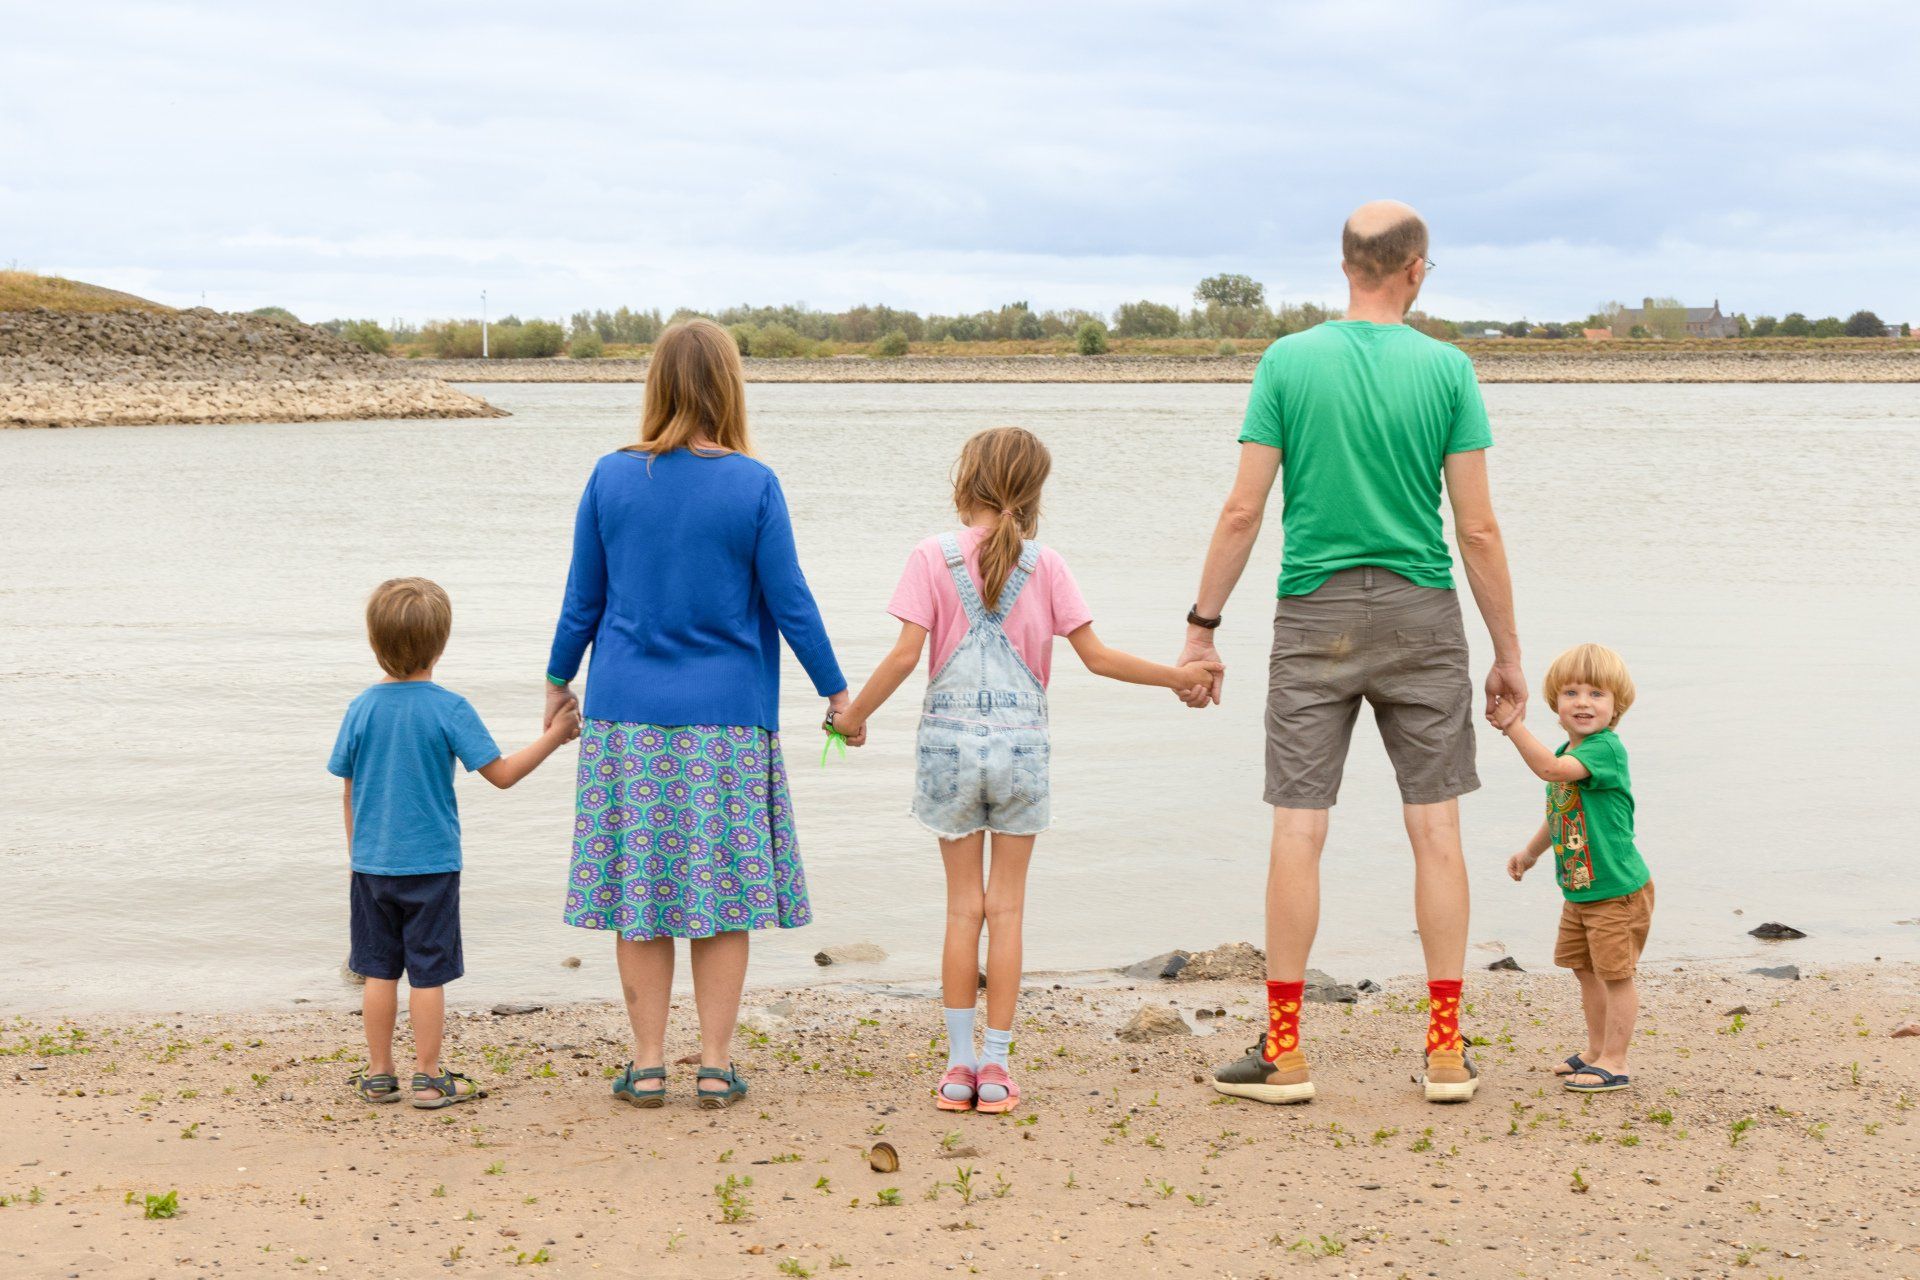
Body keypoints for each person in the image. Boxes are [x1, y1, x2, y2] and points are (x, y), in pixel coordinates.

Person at [1183, 200, 1526, 1106]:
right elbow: (1479, 528)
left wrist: (1202, 626)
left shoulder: (1288, 361)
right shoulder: (1449, 369)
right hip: (1422, 612)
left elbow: (1243, 510)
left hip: (1312, 617)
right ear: (1415, 269)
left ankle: (1287, 1053)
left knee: (1300, 827)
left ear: (1347, 267)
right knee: (1436, 829)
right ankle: (1445, 1050)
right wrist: (1507, 653)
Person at [830, 427, 1220, 1114]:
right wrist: (1177, 677)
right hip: (1021, 752)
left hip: (948, 750)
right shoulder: (1048, 566)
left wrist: (851, 717)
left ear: (966, 482)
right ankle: (999, 1068)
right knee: (1006, 911)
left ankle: (957, 1069)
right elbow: (1097, 658)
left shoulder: (931, 556)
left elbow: (900, 658)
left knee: (962, 911)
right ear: (1034, 494)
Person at [545, 318, 847, 1110]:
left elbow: (584, 597)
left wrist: (555, 678)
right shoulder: (753, 483)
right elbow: (791, 603)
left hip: (627, 720)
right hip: (728, 722)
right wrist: (835, 690)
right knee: (720, 900)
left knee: (640, 899)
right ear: (729, 386)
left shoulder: (611, 478)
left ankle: (648, 1064)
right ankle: (714, 1064)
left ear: (657, 385)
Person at [329, 576, 580, 1109]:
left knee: (377, 970)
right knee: (427, 973)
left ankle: (379, 1074)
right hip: (432, 865)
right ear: (440, 645)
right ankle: (427, 1075)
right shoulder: (449, 708)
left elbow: (349, 791)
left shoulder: (360, 708)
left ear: (374, 643)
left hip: (371, 865)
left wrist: (359, 855)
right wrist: (555, 737)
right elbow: (503, 775)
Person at [1503, 643, 1651, 1093]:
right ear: (1556, 704)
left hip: (1616, 891)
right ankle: (1594, 1048)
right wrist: (1530, 854)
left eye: (1596, 693)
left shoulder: (1604, 750)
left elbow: (1549, 771)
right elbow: (1560, 815)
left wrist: (1513, 726)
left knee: (1615, 975)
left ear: (1616, 705)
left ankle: (1617, 1061)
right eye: (1571, 693)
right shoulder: (1572, 748)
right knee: (1584, 970)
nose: (1583, 702)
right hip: (1581, 891)